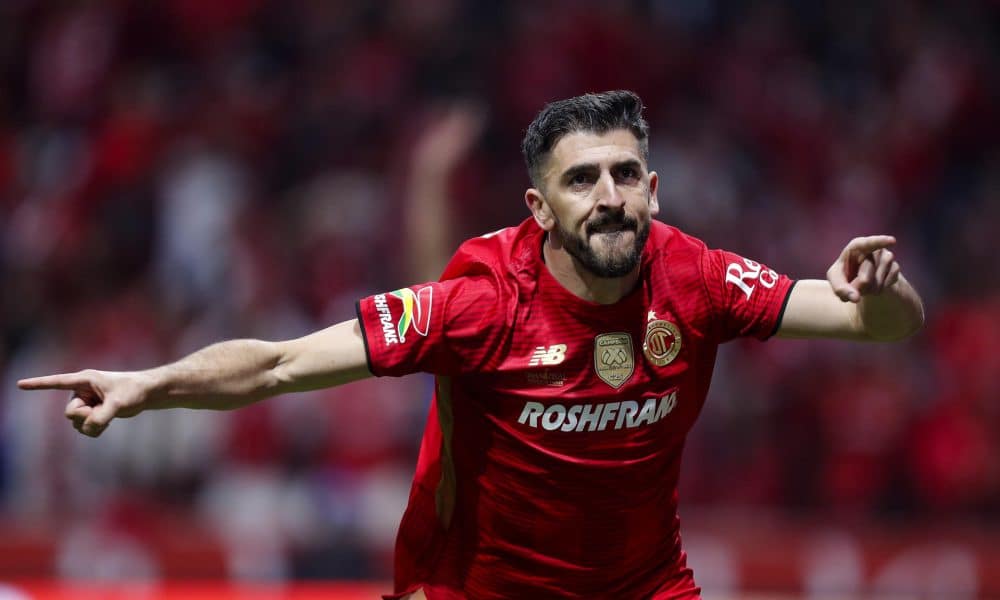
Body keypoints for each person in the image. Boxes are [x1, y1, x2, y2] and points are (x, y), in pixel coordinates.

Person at [18, 91, 925, 599]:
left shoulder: (699, 277)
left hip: (644, 587)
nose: (609, 196)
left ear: (652, 189)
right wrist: (147, 386)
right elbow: (283, 362)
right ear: (540, 208)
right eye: (581, 180)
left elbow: (874, 322)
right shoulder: (484, 301)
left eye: (624, 174)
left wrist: (887, 295)